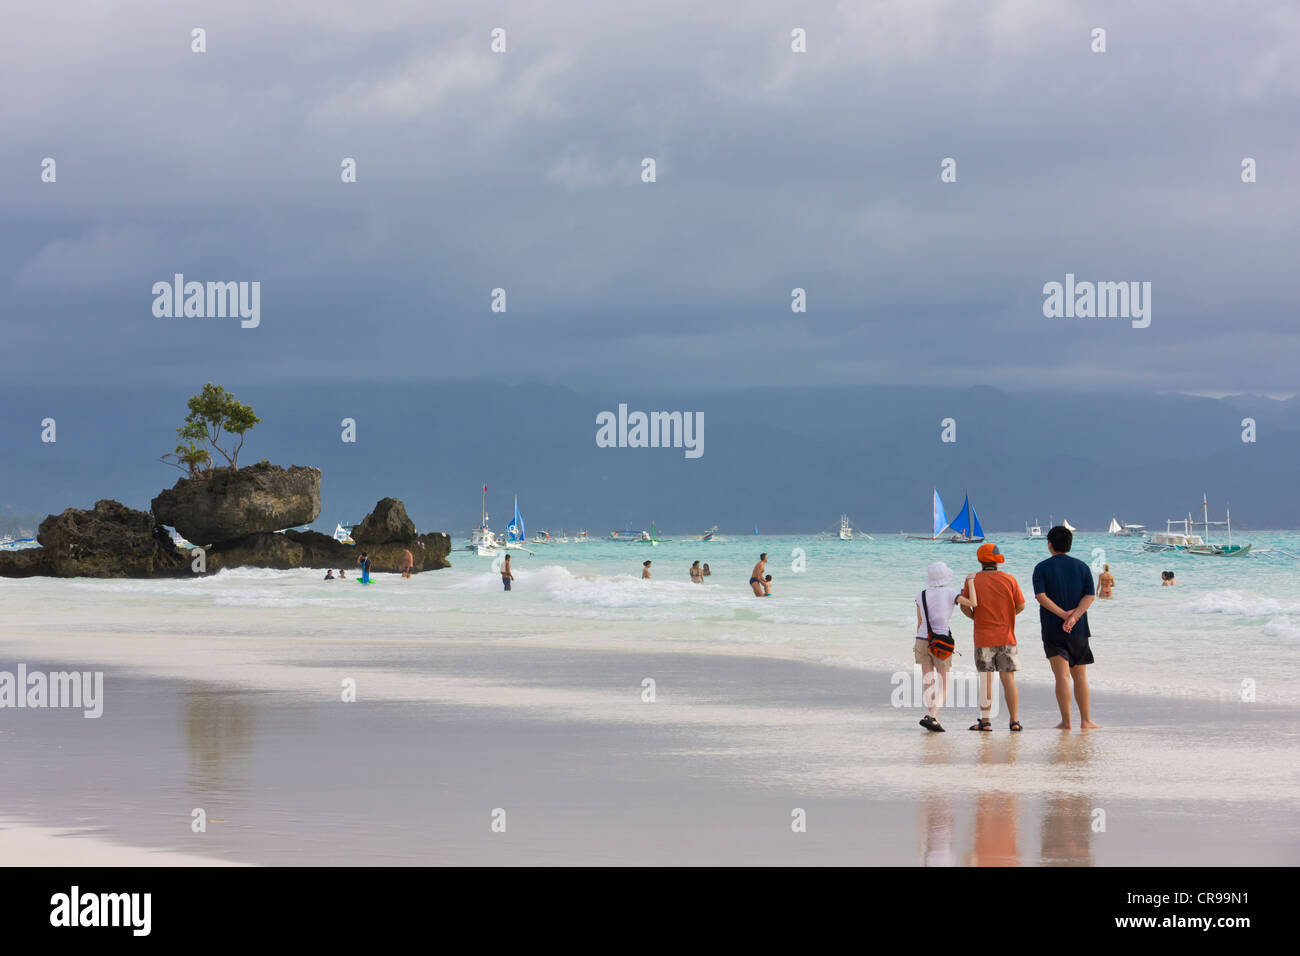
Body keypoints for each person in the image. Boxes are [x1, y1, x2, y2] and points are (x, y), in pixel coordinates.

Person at [1033, 526, 1100, 730]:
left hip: (1053, 629)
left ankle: (1066, 722)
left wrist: (1063, 615)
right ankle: (1086, 721)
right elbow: (1089, 595)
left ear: (1050, 545)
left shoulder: (1041, 568)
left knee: (1061, 676)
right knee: (1080, 676)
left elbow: (1041, 596)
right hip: (1078, 630)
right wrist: (1074, 617)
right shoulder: (1082, 567)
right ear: (1069, 544)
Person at [959, 543, 1026, 732]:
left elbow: (965, 605)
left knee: (986, 681)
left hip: (983, 638)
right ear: (998, 561)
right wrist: (1007, 617)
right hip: (1007, 637)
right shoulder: (1009, 579)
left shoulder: (972, 580)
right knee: (1008, 681)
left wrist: (976, 618)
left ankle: (986, 722)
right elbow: (1021, 605)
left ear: (980, 560)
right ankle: (1014, 721)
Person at [915, 561, 962, 732]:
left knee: (929, 682)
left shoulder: (921, 594)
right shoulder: (951, 592)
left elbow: (919, 622)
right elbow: (972, 603)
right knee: (944, 684)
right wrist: (971, 582)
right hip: (941, 641)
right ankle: (932, 716)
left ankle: (932, 719)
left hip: (921, 639)